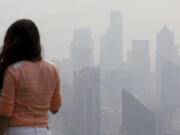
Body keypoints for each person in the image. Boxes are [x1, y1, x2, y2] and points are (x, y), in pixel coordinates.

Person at [0, 19, 62, 135]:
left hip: (17, 130)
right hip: (43, 131)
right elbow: (55, 108)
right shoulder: (53, 68)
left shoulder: (13, 71)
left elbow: (5, 114)